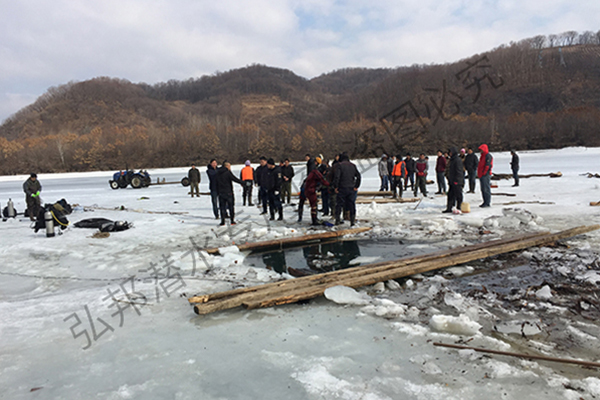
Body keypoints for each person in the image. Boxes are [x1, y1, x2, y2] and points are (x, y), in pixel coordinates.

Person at [333, 154, 361, 226]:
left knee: (339, 204)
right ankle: (352, 220)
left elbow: (337, 177)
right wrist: (356, 186)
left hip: (342, 188)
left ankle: (338, 220)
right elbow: (358, 176)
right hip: (351, 188)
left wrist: (336, 187)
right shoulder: (353, 165)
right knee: (351, 204)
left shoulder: (340, 166)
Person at [216, 161, 243, 225]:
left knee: (222, 207)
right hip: (228, 192)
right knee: (231, 207)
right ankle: (232, 220)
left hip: (221, 193)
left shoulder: (217, 173)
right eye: (229, 166)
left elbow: (216, 183)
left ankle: (222, 221)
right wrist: (243, 183)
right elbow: (235, 179)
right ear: (227, 166)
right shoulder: (228, 173)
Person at [443, 147, 464, 213]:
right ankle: (449, 208)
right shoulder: (452, 160)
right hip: (452, 180)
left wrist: (457, 180)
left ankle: (459, 207)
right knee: (450, 195)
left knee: (458, 195)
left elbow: (459, 171)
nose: (450, 154)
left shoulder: (457, 160)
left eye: (451, 152)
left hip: (457, 181)